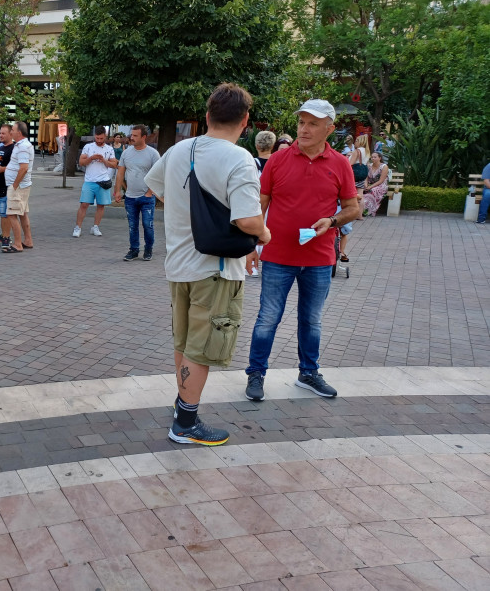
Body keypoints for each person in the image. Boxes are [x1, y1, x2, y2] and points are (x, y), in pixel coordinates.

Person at [144, 83, 269, 446]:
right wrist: (265, 234)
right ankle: (186, 422)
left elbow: (156, 187)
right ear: (245, 121)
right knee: (202, 347)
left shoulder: (180, 149)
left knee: (184, 341)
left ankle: (182, 403)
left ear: (207, 115)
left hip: (178, 264)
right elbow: (247, 219)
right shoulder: (239, 158)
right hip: (216, 269)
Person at [244, 99, 359, 403]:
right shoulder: (278, 160)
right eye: (301, 122)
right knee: (268, 318)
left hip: (319, 258)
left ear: (329, 129)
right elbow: (260, 204)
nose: (304, 129)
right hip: (277, 255)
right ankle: (256, 373)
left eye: (313, 124)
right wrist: (252, 245)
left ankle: (308, 373)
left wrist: (332, 221)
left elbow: (352, 208)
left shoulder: (340, 164)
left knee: (312, 320)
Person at [113, 124, 159, 261]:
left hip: (147, 197)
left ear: (144, 137)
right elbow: (120, 173)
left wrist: (150, 192)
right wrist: (117, 191)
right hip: (130, 197)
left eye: (135, 135)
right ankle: (134, 250)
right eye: (131, 135)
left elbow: (158, 175)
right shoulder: (126, 153)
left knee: (147, 225)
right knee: (132, 226)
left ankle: (148, 249)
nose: (131, 138)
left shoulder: (153, 153)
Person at [73, 126, 118, 237]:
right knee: (84, 204)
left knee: (101, 205)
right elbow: (81, 162)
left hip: (103, 181)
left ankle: (96, 226)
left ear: (105, 136)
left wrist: (104, 160)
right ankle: (78, 227)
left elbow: (114, 164)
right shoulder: (88, 147)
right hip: (89, 181)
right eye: (97, 138)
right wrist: (91, 158)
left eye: (101, 138)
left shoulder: (109, 149)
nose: (99, 140)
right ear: (94, 136)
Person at [2, 121, 34, 253]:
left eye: (13, 130)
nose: (11, 132)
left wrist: (15, 185)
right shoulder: (22, 145)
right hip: (21, 185)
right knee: (23, 213)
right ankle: (28, 240)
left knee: (11, 214)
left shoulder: (22, 147)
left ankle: (17, 244)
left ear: (19, 133)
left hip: (18, 187)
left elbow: (24, 168)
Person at [362, 151, 389, 217]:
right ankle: (361, 209)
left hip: (381, 185)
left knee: (372, 190)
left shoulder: (384, 166)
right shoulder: (369, 166)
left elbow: (381, 180)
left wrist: (370, 187)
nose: (373, 158)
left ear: (379, 158)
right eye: (372, 157)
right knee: (361, 189)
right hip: (370, 184)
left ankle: (368, 210)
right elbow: (366, 178)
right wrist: (366, 185)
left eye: (375, 157)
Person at [349, 134, 370, 218]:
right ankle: (359, 215)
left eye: (356, 140)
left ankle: (352, 214)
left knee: (352, 194)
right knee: (360, 195)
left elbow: (350, 164)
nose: (355, 142)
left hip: (354, 174)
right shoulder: (367, 151)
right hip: (362, 175)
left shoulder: (357, 151)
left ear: (360, 142)